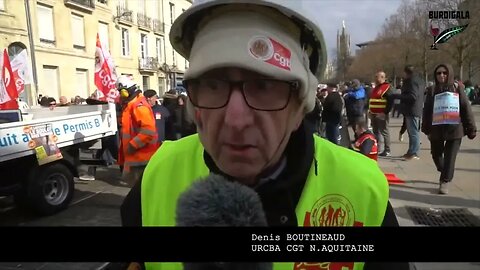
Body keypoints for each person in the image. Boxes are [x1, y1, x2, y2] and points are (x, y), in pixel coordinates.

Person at [121, 1, 408, 270]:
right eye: (213, 84)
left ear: (300, 107)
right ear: (194, 108)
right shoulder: (158, 175)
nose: (235, 119)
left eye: (264, 86)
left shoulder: (362, 190)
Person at [422, 64, 476, 195]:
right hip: (436, 129)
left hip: (454, 129)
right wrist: (426, 128)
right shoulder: (432, 90)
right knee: (436, 155)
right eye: (439, 73)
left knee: (450, 157)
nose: (441, 75)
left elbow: (466, 108)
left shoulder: (458, 88)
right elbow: (427, 110)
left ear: (449, 74)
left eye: (444, 73)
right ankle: (445, 170)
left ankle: (445, 180)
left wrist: (471, 128)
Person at [116, 75, 159, 187]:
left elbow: (148, 131)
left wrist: (133, 145)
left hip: (141, 158)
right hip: (135, 158)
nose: (121, 95)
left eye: (122, 92)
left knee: (142, 191)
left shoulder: (138, 106)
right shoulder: (130, 105)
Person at [398, 65, 424, 160]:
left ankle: (414, 152)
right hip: (415, 109)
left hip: (412, 110)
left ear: (406, 72)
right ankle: (411, 151)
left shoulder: (412, 82)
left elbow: (413, 96)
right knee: (413, 132)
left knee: (413, 132)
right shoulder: (418, 80)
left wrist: (399, 96)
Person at [369, 71, 393, 157]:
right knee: (375, 131)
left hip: (381, 114)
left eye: (377, 77)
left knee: (384, 131)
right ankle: (377, 147)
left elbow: (390, 101)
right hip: (373, 113)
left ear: (382, 77)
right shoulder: (376, 87)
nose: (375, 78)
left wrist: (385, 112)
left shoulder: (387, 88)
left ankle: (387, 149)